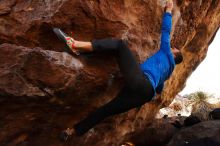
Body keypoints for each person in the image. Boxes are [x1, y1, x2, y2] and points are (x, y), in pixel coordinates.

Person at [53, 0, 183, 141]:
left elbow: (166, 31)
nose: (171, 48)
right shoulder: (169, 72)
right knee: (106, 110)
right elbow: (159, 89)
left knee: (119, 45)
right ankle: (71, 131)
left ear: (174, 54)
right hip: (142, 96)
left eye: (173, 49)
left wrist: (169, 10)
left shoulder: (166, 52)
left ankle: (75, 45)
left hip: (140, 82)